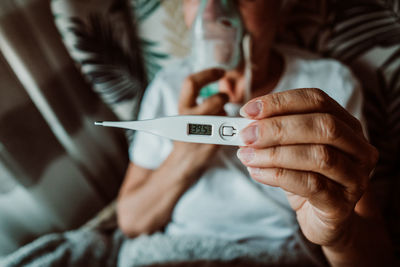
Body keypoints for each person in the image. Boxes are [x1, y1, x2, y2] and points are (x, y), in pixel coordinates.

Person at [117, 0, 394, 266]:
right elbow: (132, 220)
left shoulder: (326, 87)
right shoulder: (168, 85)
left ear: (280, 8)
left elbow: (375, 255)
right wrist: (186, 155)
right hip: (175, 254)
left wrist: (339, 234)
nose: (212, 12)